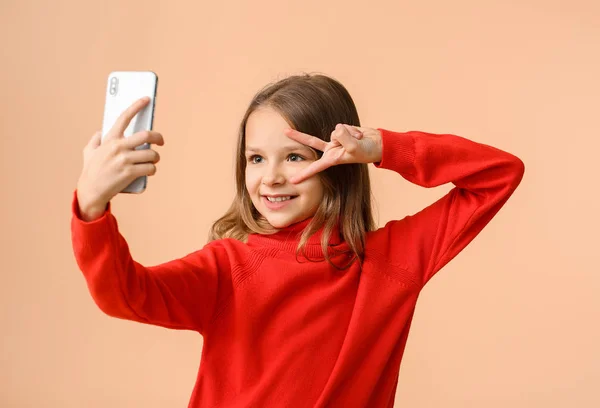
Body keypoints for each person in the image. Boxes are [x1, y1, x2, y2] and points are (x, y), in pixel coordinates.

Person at [71, 73, 525, 407]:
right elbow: (124, 295)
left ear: (338, 161)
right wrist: (91, 208)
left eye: (293, 156)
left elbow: (498, 175)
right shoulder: (227, 268)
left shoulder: (391, 261)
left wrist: (384, 148)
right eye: (255, 158)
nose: (271, 177)